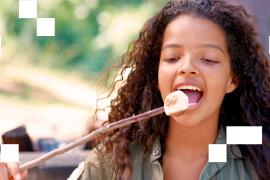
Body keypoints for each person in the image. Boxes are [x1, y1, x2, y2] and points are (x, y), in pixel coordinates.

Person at [1, 0, 270, 179]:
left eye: (208, 59)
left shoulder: (257, 159)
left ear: (232, 80)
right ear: (156, 74)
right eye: (172, 58)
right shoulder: (115, 161)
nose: (187, 68)